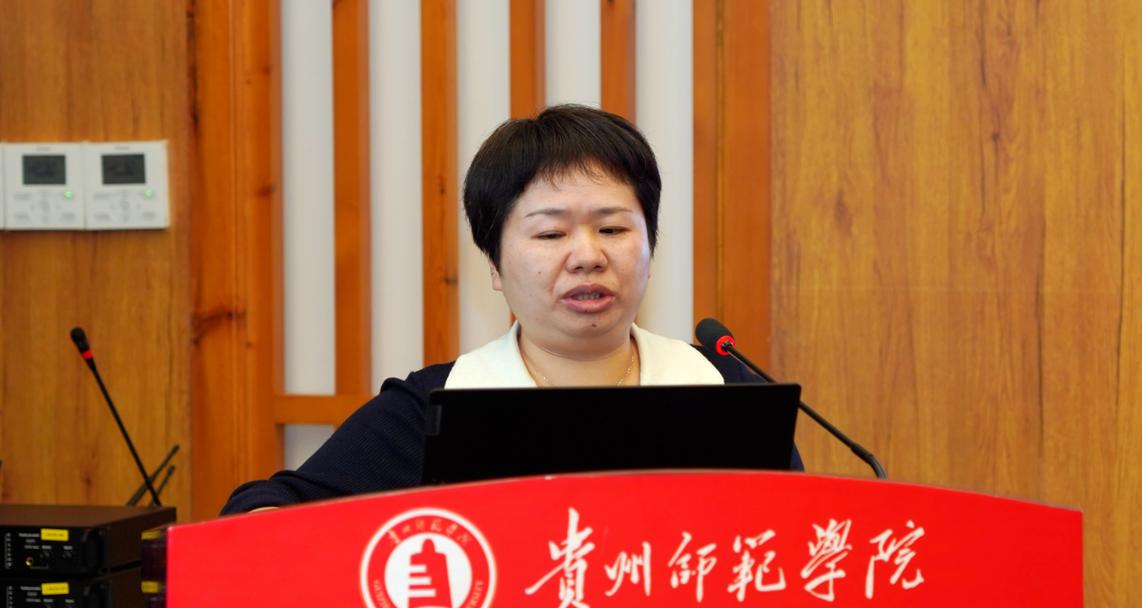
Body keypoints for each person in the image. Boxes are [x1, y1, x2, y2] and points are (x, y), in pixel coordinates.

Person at [222, 104, 799, 514]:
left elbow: (801, 531)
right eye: (550, 234)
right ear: (495, 266)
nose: (587, 256)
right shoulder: (438, 406)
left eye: (612, 228)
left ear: (651, 247)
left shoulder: (724, 388)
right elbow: (267, 506)